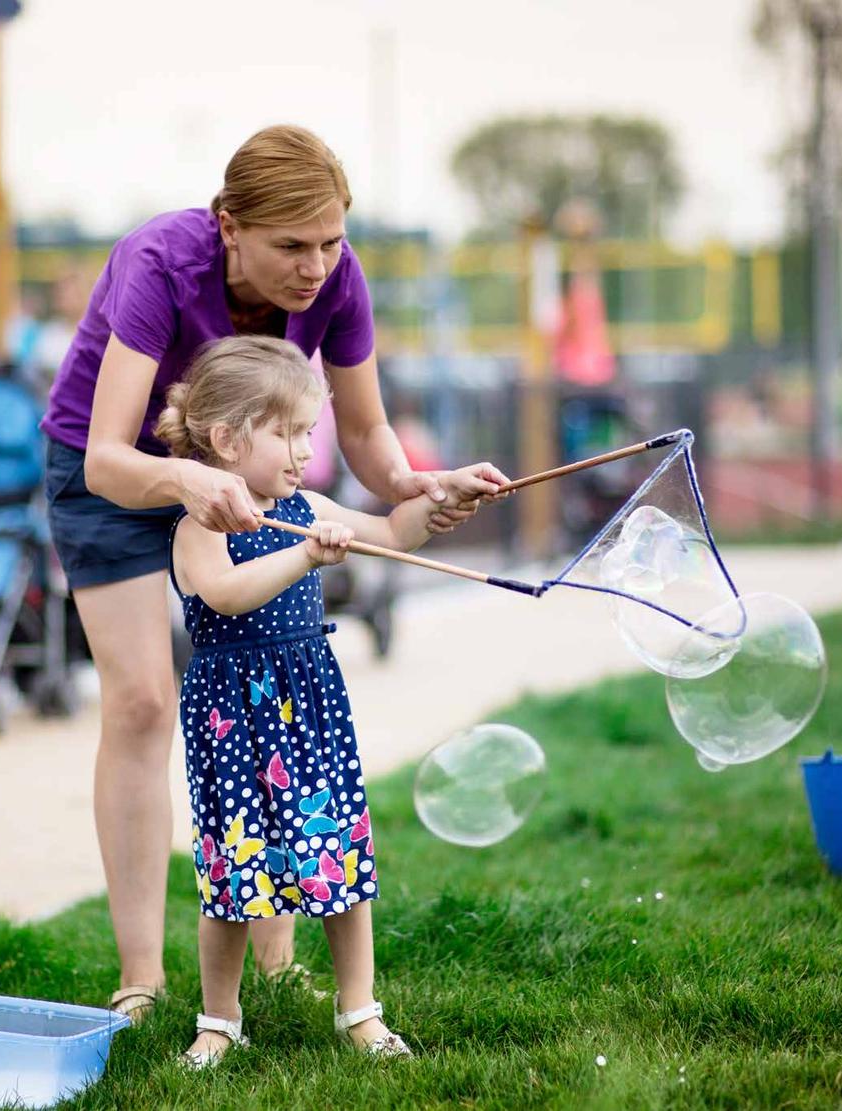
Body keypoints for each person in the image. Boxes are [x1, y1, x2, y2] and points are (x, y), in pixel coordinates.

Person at [39, 124, 507, 1021]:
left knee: (273, 694)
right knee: (142, 699)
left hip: (248, 477)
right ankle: (143, 976)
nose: (316, 266)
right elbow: (106, 456)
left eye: (330, 242)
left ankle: (274, 965)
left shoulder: (340, 279)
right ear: (228, 227)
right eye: (292, 246)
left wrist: (420, 485)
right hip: (115, 474)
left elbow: (367, 440)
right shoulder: (158, 263)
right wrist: (186, 479)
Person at [157, 334, 495, 1063]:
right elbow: (222, 592)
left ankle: (360, 1011)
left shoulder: (303, 502)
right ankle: (219, 1020)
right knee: (233, 872)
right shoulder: (198, 525)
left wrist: (441, 495)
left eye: (309, 431)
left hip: (307, 709)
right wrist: (306, 554)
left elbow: (391, 529)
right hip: (234, 718)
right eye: (287, 432)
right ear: (226, 437)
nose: (304, 448)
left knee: (334, 855)